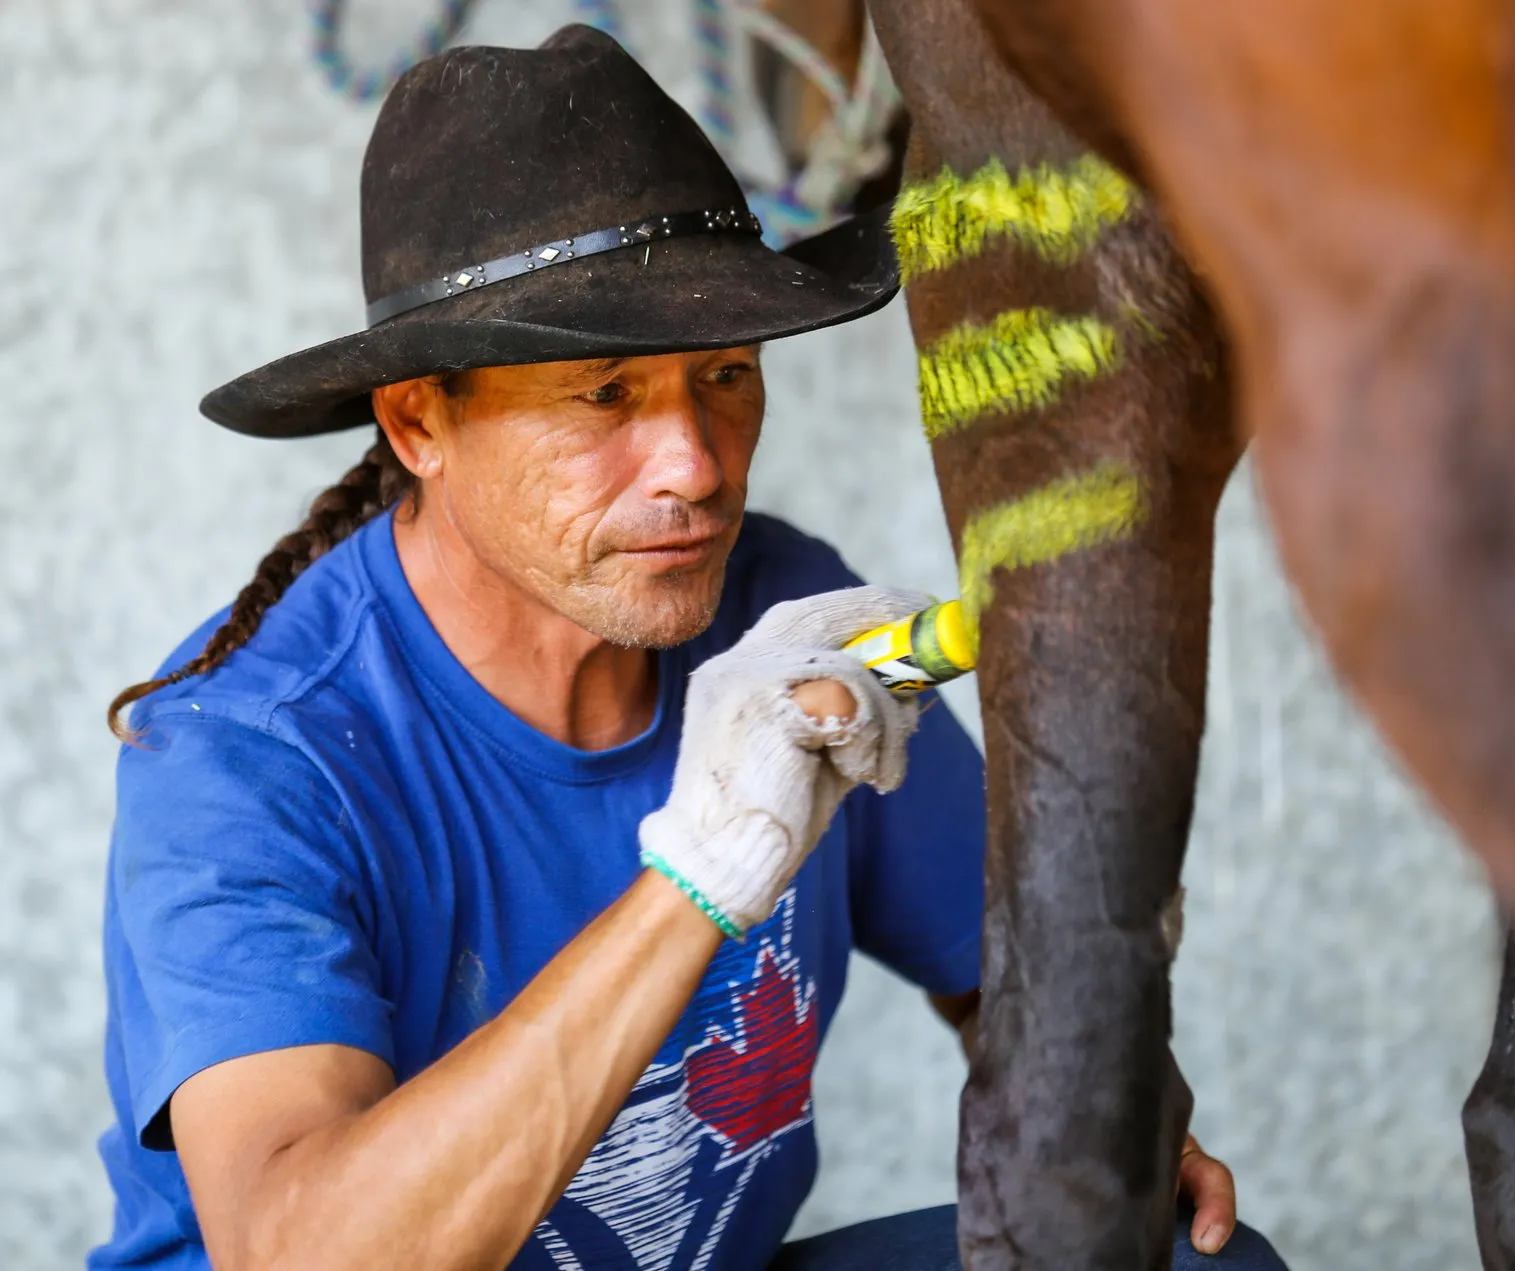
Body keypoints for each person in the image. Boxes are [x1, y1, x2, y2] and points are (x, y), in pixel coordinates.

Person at [87, 25, 1280, 1271]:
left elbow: (1001, 969)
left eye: (723, 373)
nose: (697, 465)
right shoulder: (244, 754)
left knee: (1190, 1262)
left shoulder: (780, 611)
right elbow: (299, 1252)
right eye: (604, 393)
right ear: (419, 422)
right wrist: (704, 869)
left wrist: (1106, 1104)